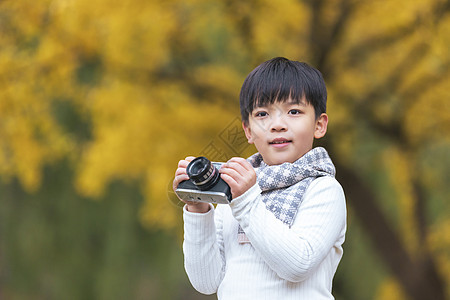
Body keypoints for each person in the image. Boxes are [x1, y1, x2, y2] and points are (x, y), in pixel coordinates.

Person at [172, 57, 346, 299]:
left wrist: (245, 201)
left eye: (294, 111)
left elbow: (297, 265)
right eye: (262, 114)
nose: (277, 125)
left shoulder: (324, 190)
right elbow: (206, 281)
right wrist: (198, 209)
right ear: (248, 130)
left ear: (319, 124)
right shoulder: (232, 191)